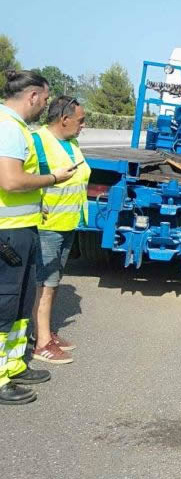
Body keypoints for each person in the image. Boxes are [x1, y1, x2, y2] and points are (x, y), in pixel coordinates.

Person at [0, 70, 76, 405]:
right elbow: (12, 182)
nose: (44, 105)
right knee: (4, 305)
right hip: (8, 232)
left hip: (22, 228)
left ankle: (13, 365)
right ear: (32, 95)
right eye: (44, 99)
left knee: (17, 305)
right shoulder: (8, 128)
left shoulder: (16, 128)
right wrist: (52, 178)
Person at [30, 96, 90, 364]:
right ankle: (41, 343)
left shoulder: (70, 143)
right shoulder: (38, 142)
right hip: (47, 225)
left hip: (66, 223)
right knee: (46, 284)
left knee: (52, 283)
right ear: (64, 119)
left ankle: (44, 334)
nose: (83, 125)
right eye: (80, 120)